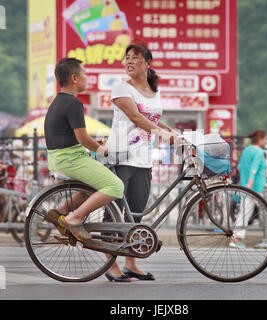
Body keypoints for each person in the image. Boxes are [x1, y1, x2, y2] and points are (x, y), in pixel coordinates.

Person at [102, 43, 178, 282]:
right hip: (121, 157)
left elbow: (153, 118)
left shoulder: (154, 91)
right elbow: (135, 116)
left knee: (135, 214)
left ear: (147, 63)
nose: (129, 61)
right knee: (114, 214)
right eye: (127, 57)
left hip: (143, 160)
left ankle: (131, 263)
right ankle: (111, 264)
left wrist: (172, 132)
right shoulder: (120, 87)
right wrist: (161, 133)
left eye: (135, 57)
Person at [44, 57, 124, 241]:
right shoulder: (73, 103)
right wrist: (102, 149)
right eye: (84, 74)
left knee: (91, 187)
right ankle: (75, 218)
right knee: (115, 186)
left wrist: (97, 147)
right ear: (74, 78)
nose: (87, 78)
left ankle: (62, 211)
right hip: (71, 160)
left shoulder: (58, 102)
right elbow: (82, 138)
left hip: (60, 159)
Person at [230, 130, 267, 248]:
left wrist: (247, 183)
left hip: (247, 186)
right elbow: (254, 168)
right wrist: (251, 181)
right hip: (255, 187)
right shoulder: (259, 152)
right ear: (260, 139)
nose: (266, 142)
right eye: (265, 139)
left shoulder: (246, 150)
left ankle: (235, 238)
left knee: (245, 212)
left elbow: (240, 167)